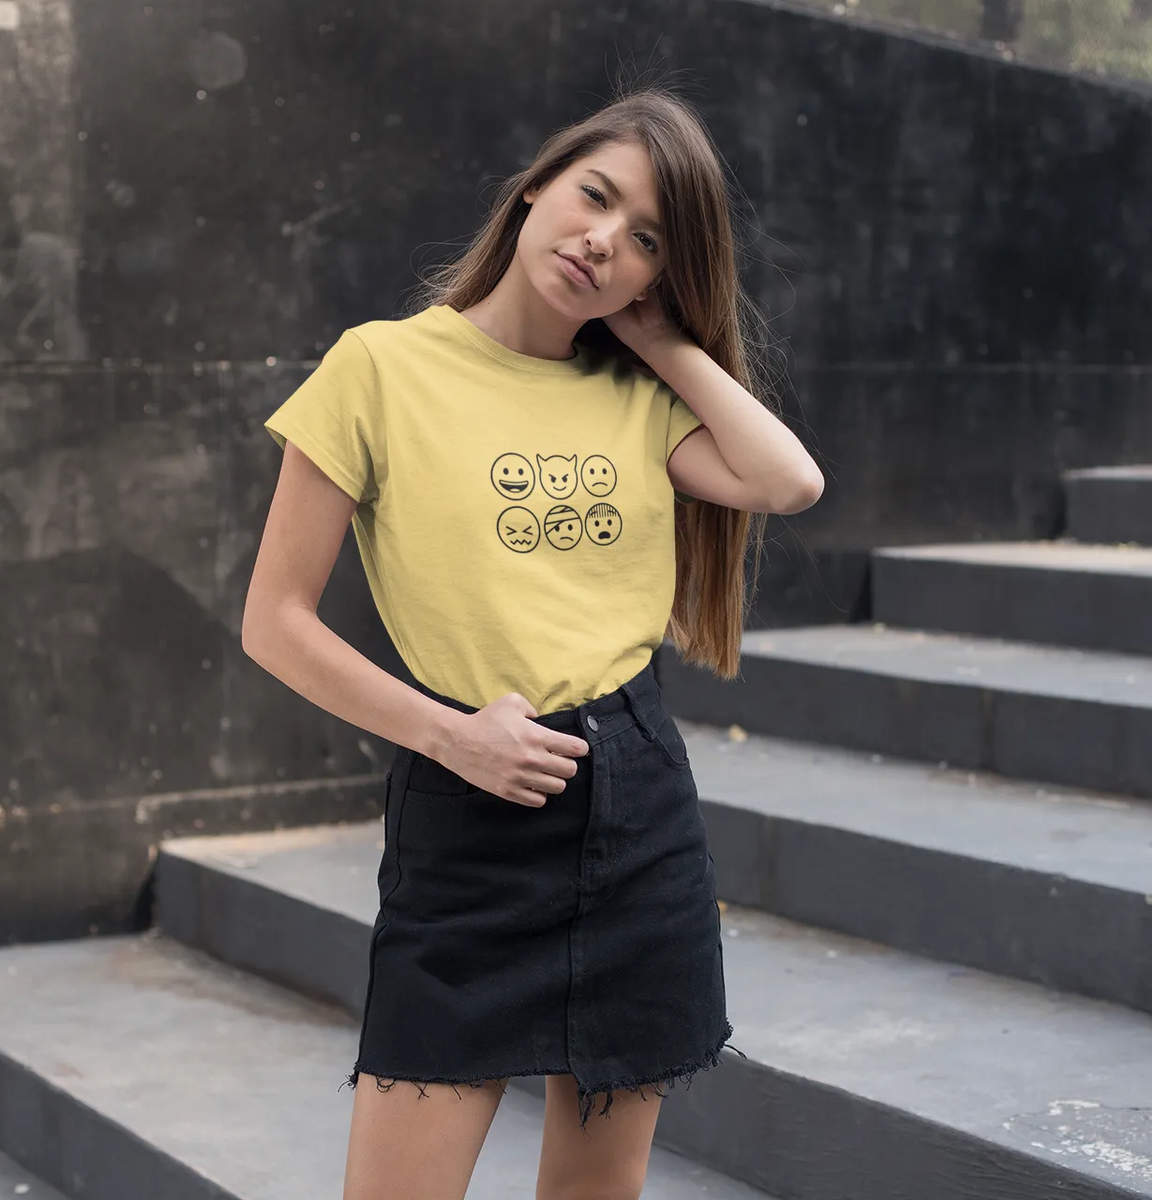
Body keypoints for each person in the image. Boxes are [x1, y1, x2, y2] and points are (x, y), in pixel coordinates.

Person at [242, 80, 824, 1200]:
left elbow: (787, 481)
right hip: (470, 818)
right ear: (535, 189)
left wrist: (661, 339)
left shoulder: (636, 394)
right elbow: (275, 621)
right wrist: (450, 736)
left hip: (637, 814)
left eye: (647, 239)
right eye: (595, 197)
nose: (605, 240)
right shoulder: (380, 368)